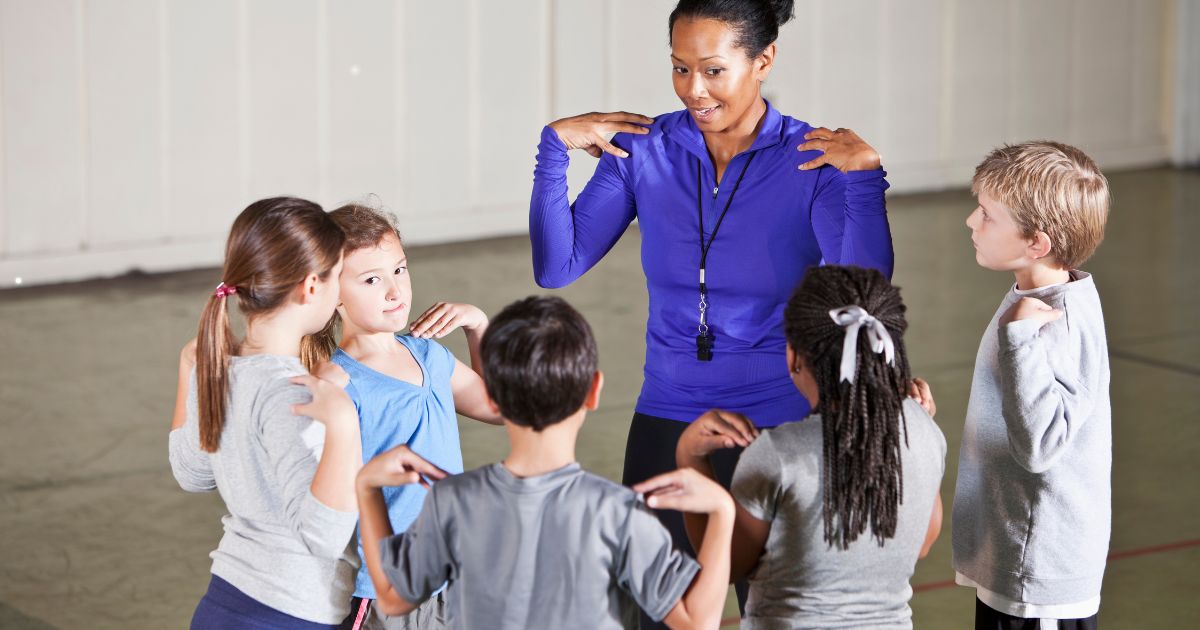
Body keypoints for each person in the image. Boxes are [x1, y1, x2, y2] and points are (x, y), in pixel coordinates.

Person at [528, 3, 894, 619]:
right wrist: (554, 150)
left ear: (764, 61)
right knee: (653, 612)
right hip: (666, 415)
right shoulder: (645, 151)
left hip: (780, 425)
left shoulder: (813, 159)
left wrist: (863, 179)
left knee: (775, 613)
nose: (693, 90)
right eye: (679, 68)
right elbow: (557, 266)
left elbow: (862, 294)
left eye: (713, 71)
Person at [352, 296, 735, 629]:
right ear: (593, 391)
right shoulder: (618, 514)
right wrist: (721, 512)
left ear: (494, 398)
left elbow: (392, 597)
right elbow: (696, 621)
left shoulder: (452, 501)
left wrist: (369, 489)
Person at [670, 265, 946, 628]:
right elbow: (922, 544)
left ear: (794, 357)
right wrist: (920, 422)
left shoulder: (779, 455)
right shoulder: (924, 430)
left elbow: (729, 566)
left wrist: (690, 457)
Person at [168, 197, 363, 628]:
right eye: (337, 277)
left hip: (224, 603)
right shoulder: (292, 392)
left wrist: (189, 371)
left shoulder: (223, 368)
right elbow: (324, 535)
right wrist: (344, 426)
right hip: (289, 613)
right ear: (311, 287)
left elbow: (193, 472)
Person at [307, 203, 503, 630]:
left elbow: (499, 407)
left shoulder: (430, 355)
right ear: (332, 294)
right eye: (372, 280)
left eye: (400, 270)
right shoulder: (336, 383)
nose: (395, 291)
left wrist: (478, 326)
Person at [954, 141, 1112, 629]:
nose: (970, 222)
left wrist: (1019, 337)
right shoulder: (1040, 292)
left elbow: (1041, 446)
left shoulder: (1047, 324)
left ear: (1036, 243)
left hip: (1037, 572)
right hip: (1015, 550)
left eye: (986, 215)